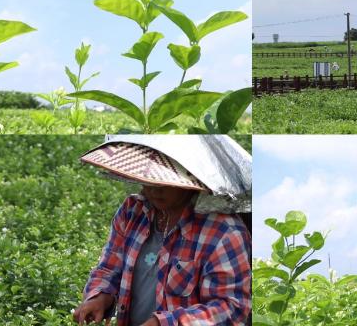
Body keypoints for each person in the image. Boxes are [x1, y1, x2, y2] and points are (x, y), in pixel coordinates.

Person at [72, 136, 251, 326]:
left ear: (193, 177)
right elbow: (109, 267)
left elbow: (230, 307)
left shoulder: (224, 232)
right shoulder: (133, 211)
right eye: (149, 180)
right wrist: (99, 297)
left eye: (164, 181)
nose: (154, 190)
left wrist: (163, 323)